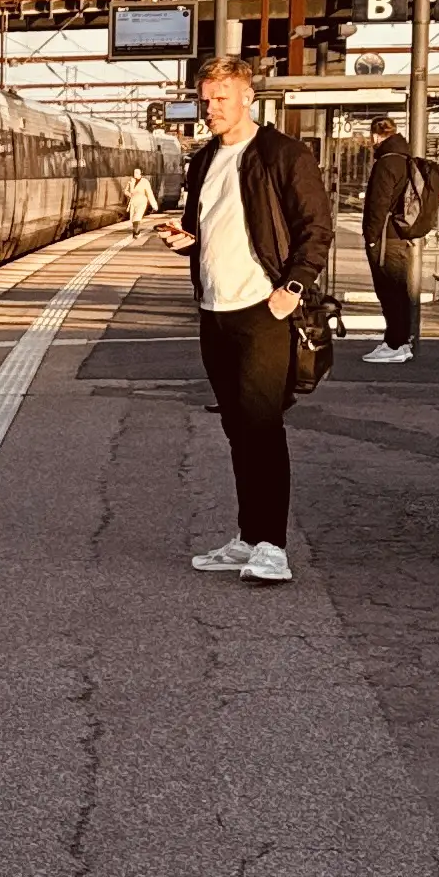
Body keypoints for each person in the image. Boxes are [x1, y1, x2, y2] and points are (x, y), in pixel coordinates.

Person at [145, 53, 332, 583]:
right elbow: (204, 230)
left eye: (220, 99)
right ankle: (248, 536)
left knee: (262, 427)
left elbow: (315, 227)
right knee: (236, 428)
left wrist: (291, 289)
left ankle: (273, 545)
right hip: (214, 311)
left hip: (262, 311)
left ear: (248, 97)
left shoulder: (281, 154)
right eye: (205, 100)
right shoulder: (204, 161)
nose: (210, 109)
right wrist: (185, 241)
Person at [360, 114, 422, 363]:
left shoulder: (387, 162)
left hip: (386, 236)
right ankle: (400, 341)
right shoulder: (406, 159)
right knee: (399, 290)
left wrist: (372, 237)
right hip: (400, 234)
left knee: (389, 292)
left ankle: (394, 344)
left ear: (376, 135)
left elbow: (378, 203)